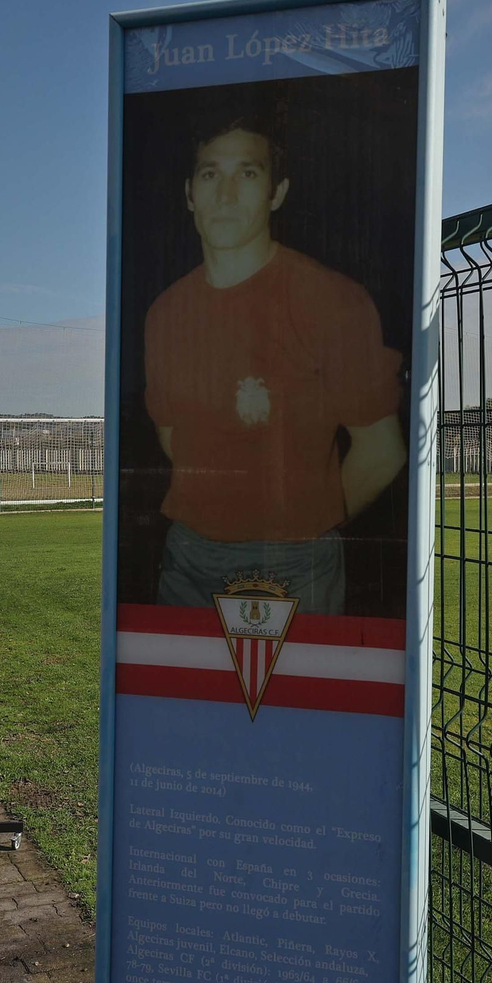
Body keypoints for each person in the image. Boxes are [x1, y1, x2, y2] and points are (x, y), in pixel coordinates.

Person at [143, 110, 406, 615]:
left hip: (296, 564)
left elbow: (381, 450)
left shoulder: (331, 301)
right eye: (209, 174)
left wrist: (306, 524)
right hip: (189, 556)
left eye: (247, 173)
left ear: (277, 192)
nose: (225, 194)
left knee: (292, 698)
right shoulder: (166, 312)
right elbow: (174, 436)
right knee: (181, 695)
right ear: (189, 195)